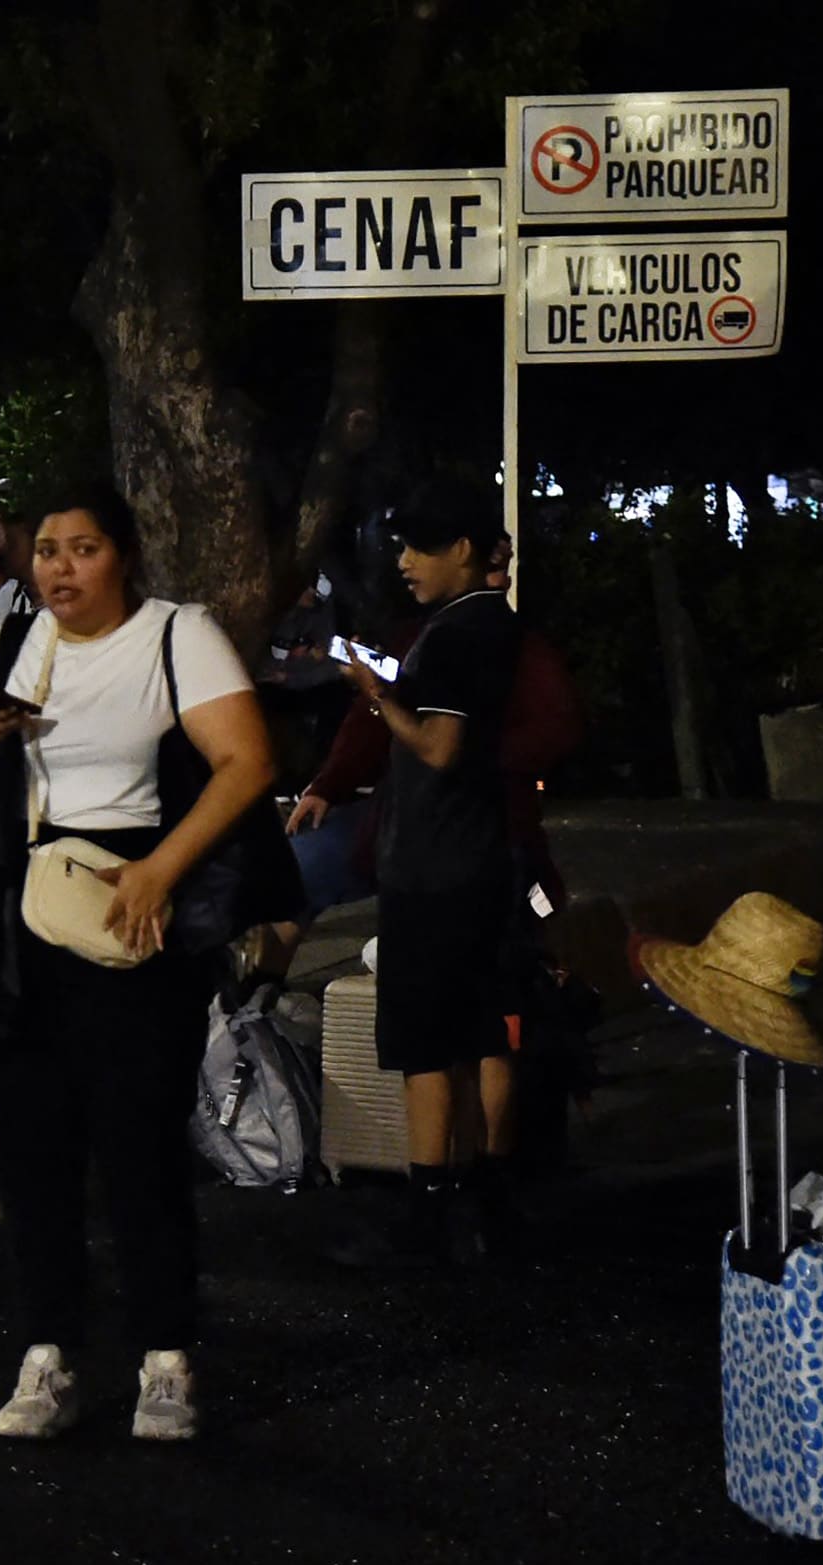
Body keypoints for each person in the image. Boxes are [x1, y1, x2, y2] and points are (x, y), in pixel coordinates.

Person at [0, 481, 275, 1444]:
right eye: (46, 549)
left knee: (137, 1144)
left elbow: (248, 763)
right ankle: (47, 1353)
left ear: (124, 556)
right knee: (31, 1147)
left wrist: (160, 871)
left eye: (83, 548)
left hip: (133, 910)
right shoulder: (12, 637)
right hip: (21, 918)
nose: (59, 567)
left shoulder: (178, 633)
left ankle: (165, 1359)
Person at [333, 479, 521, 1268]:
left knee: (422, 1042)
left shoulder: (453, 637)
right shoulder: (498, 627)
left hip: (431, 866)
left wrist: (379, 699)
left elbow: (440, 747)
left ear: (464, 551)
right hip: (481, 857)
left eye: (418, 547)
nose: (405, 562)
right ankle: (488, 1200)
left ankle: (428, 1206)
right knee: (483, 1031)